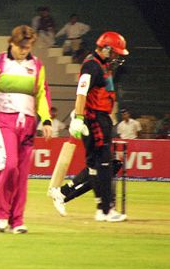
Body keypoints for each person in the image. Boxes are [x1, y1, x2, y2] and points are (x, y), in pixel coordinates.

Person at [0, 25, 53, 234]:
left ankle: (17, 220)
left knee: (22, 174)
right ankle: (2, 214)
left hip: (28, 124)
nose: (24, 51)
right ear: (12, 43)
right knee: (9, 167)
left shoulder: (37, 65)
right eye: (21, 47)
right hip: (4, 121)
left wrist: (46, 121)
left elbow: (42, 94)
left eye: (28, 47)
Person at [48, 31, 129, 222]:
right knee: (103, 165)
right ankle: (105, 210)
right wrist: (78, 117)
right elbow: (81, 93)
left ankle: (93, 205)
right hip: (94, 119)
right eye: (114, 52)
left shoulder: (102, 65)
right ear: (106, 49)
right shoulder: (92, 66)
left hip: (100, 118)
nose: (116, 57)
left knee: (96, 166)